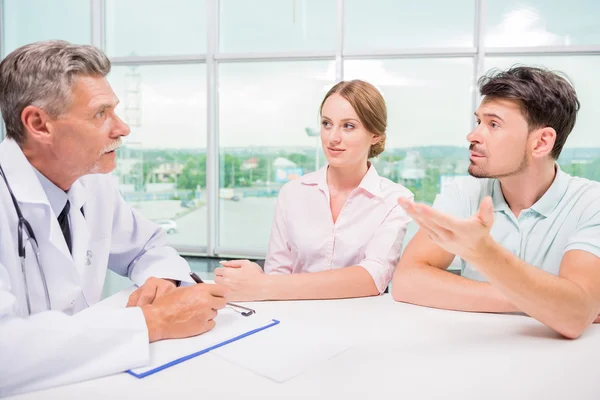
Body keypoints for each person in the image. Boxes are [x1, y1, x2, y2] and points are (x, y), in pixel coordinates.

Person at [0, 40, 227, 397]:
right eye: (100, 114)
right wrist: (154, 322)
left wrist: (163, 278)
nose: (122, 128)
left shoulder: (92, 182)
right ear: (39, 124)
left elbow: (147, 247)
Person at [392, 66, 600, 339]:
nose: (473, 135)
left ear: (541, 143)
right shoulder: (464, 193)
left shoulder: (591, 203)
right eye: (479, 122)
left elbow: (574, 317)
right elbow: (406, 281)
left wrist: (483, 251)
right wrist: (536, 302)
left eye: (493, 124)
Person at [216, 80, 413, 301]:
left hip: (359, 326)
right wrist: (259, 285)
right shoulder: (292, 193)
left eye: (348, 126)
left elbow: (373, 277)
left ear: (375, 134)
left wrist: (263, 285)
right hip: (291, 320)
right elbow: (277, 272)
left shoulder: (395, 199)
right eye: (327, 124)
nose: (332, 138)